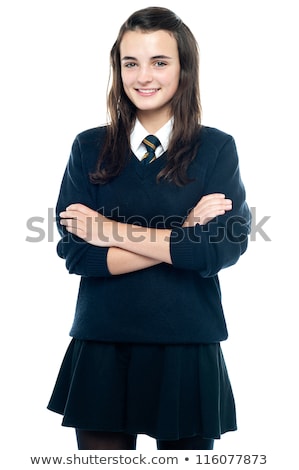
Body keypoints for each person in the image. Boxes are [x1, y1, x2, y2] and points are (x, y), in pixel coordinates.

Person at [47, 6, 251, 450]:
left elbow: (216, 252)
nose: (144, 76)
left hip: (187, 344)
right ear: (117, 70)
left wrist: (109, 231)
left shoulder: (216, 148)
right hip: (102, 344)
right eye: (130, 62)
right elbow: (77, 254)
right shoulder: (88, 147)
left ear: (184, 68)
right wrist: (183, 231)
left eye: (160, 61)